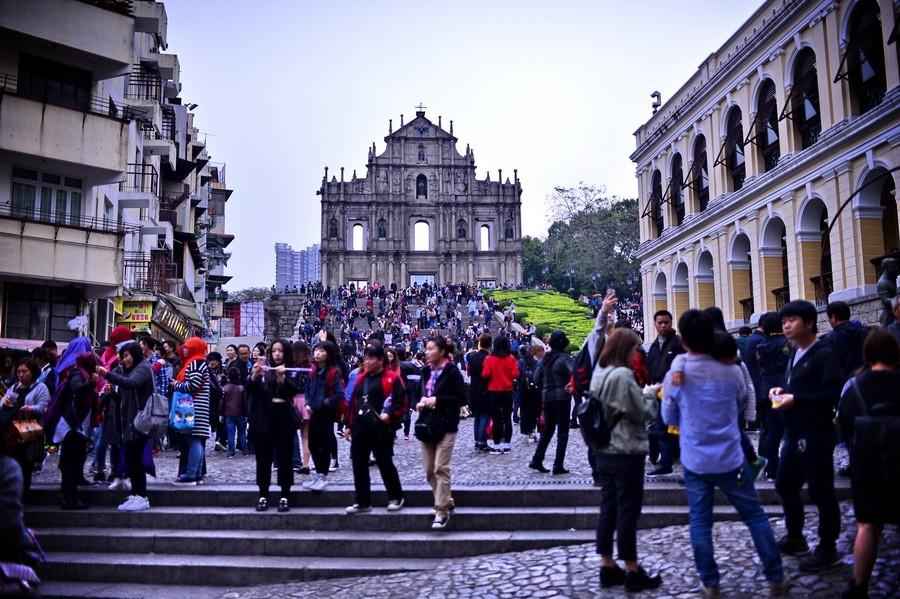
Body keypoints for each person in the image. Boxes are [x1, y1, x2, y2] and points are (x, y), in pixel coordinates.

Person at [662, 310, 788, 598]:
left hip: (696, 460)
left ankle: (710, 582)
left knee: (700, 521)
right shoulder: (732, 370)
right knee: (754, 516)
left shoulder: (677, 374)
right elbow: (742, 402)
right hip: (731, 456)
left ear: (683, 340)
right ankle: (776, 577)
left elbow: (668, 415)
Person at [770, 300, 843, 572]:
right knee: (785, 483)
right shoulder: (795, 352)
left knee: (821, 489)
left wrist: (796, 400)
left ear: (809, 323)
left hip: (817, 431)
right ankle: (795, 535)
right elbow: (795, 385)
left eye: (792, 320)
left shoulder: (824, 353)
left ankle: (828, 547)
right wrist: (780, 392)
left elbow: (832, 394)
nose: (786, 325)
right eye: (784, 321)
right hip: (794, 431)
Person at [590, 329, 662, 593]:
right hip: (625, 449)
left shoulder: (600, 372)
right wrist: (651, 393)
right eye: (633, 349)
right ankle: (632, 569)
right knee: (628, 510)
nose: (635, 354)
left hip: (603, 450)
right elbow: (641, 412)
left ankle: (607, 566)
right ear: (624, 349)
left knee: (608, 508)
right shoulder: (622, 375)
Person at [837, 329, 900, 599]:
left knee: (868, 526)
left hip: (868, 466)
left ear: (867, 354)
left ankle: (860, 585)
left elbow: (843, 424)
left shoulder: (855, 386)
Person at [342, 344, 406, 514]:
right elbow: (354, 402)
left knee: (384, 462)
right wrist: (348, 424)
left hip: (381, 428)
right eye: (365, 358)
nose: (367, 361)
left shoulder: (392, 378)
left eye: (371, 358)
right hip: (360, 427)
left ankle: (396, 496)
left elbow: (401, 402)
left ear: (380, 360)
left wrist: (390, 416)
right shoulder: (361, 378)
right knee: (359, 463)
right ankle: (362, 500)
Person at [416, 336, 467, 529]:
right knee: (429, 469)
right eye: (426, 349)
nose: (427, 352)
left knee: (440, 467)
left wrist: (437, 400)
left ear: (442, 352)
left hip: (446, 424)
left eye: (431, 349)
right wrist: (420, 401)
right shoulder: (426, 371)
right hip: (427, 424)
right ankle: (446, 499)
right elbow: (417, 392)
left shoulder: (452, 373)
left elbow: (461, 397)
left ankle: (442, 510)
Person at [96, 342, 154, 512]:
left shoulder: (143, 368)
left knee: (135, 460)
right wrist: (112, 394)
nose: (124, 360)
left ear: (135, 355)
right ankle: (136, 494)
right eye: (123, 356)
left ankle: (142, 497)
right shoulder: (133, 369)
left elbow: (131, 383)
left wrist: (107, 374)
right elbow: (124, 399)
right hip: (130, 423)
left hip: (140, 423)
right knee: (131, 459)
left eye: (127, 356)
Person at [247, 339, 298, 512]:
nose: (277, 354)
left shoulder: (292, 370)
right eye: (274, 351)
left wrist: (282, 378)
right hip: (264, 419)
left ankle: (285, 494)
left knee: (284, 459)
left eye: (280, 351)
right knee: (263, 460)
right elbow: (250, 391)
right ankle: (263, 494)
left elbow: (293, 391)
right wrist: (254, 375)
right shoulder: (265, 370)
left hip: (283, 419)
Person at [46, 349, 98, 510]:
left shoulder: (80, 372)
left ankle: (66, 495)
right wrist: (92, 383)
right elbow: (78, 389)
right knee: (71, 462)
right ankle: (69, 498)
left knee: (73, 460)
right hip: (71, 426)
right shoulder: (78, 373)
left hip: (74, 425)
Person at [0, 358, 50, 495]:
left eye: (24, 371)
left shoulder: (41, 387)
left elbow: (44, 407)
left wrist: (31, 409)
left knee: (26, 462)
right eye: (19, 372)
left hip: (29, 429)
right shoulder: (15, 387)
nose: (21, 375)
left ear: (33, 372)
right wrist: (5, 403)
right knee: (14, 458)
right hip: (13, 431)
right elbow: (3, 403)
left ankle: (24, 493)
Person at [645, 310, 684, 476]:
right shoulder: (654, 345)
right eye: (660, 323)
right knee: (661, 427)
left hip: (674, 393)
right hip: (658, 393)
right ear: (655, 324)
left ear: (671, 322)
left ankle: (667, 461)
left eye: (666, 322)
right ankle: (666, 460)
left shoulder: (678, 343)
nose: (663, 325)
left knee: (667, 427)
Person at [529, 330, 574, 474]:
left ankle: (537, 459)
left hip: (547, 397)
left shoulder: (545, 360)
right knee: (563, 433)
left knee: (548, 431)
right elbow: (574, 373)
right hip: (562, 398)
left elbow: (536, 378)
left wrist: (545, 388)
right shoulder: (565, 358)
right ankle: (558, 465)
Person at [303, 340, 344, 492]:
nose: (317, 353)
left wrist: (323, 403)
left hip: (325, 414)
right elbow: (307, 388)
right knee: (313, 443)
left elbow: (340, 394)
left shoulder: (333, 372)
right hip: (313, 412)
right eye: (316, 350)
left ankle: (322, 475)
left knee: (324, 444)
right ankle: (319, 473)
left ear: (328, 354)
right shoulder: (313, 370)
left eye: (321, 351)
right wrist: (308, 402)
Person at [172, 337, 211, 485]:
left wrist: (176, 384)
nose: (185, 349)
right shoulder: (200, 362)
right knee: (196, 440)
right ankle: (197, 473)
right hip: (199, 407)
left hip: (194, 408)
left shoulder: (195, 363)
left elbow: (193, 385)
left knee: (193, 440)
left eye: (188, 346)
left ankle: (190, 474)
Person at [481, 336, 520, 454]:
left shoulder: (489, 359)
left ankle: (497, 445)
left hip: (494, 392)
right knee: (507, 419)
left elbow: (485, 374)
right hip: (507, 391)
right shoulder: (511, 358)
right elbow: (515, 374)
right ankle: (507, 444)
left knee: (496, 419)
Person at [821, 301, 869, 382]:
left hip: (843, 386)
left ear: (833, 318)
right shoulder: (866, 333)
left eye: (828, 318)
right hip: (866, 382)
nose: (829, 321)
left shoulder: (829, 339)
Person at [466, 334, 492, 452]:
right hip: (485, 390)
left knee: (477, 416)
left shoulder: (472, 357)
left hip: (474, 390)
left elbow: (469, 372)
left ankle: (477, 440)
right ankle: (482, 441)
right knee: (484, 416)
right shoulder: (488, 358)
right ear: (490, 345)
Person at [220, 367, 248, 457]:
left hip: (228, 413)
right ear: (239, 376)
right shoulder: (241, 388)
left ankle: (231, 452)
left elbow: (222, 402)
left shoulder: (225, 388)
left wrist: (220, 413)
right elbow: (245, 402)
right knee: (242, 433)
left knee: (230, 433)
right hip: (240, 413)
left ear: (228, 377)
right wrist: (246, 413)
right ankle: (244, 450)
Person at [517, 344, 541, 442]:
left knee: (526, 412)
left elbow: (517, 376)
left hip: (524, 391)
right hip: (535, 391)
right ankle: (534, 430)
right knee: (535, 412)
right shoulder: (537, 363)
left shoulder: (520, 363)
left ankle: (529, 432)